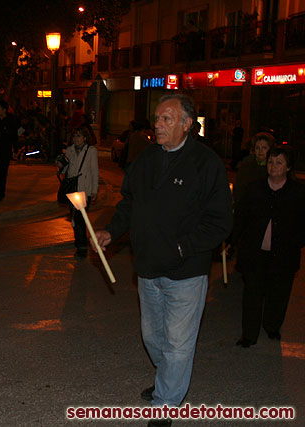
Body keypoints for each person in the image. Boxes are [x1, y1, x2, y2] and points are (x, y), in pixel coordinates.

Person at [94, 94, 232, 427]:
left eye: (166, 119)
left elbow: (220, 222)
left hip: (187, 272)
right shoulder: (145, 160)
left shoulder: (206, 164)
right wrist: (112, 231)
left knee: (178, 342)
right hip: (147, 268)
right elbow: (128, 203)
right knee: (153, 338)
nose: (157, 124)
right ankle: (167, 380)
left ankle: (166, 402)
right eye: (157, 118)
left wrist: (184, 248)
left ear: (188, 124)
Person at [230, 146, 305, 348]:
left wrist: (296, 242)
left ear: (288, 167)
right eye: (271, 162)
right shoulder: (255, 188)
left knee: (278, 294)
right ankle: (249, 334)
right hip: (255, 253)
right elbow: (241, 218)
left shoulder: (298, 193)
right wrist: (231, 241)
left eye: (279, 162)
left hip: (283, 255)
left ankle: (272, 326)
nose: (273, 166)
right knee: (252, 294)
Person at [57, 127, 99, 258]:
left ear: (85, 138)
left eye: (79, 136)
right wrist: (60, 164)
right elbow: (65, 170)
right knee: (74, 218)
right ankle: (79, 242)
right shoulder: (69, 150)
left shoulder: (90, 151)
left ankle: (81, 247)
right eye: (74, 136)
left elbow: (94, 171)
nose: (76, 139)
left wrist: (94, 190)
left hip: (83, 189)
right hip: (72, 189)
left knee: (80, 219)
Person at [232, 132, 274, 211]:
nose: (260, 151)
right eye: (257, 148)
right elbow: (239, 190)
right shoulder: (246, 165)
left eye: (264, 148)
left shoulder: (274, 167)